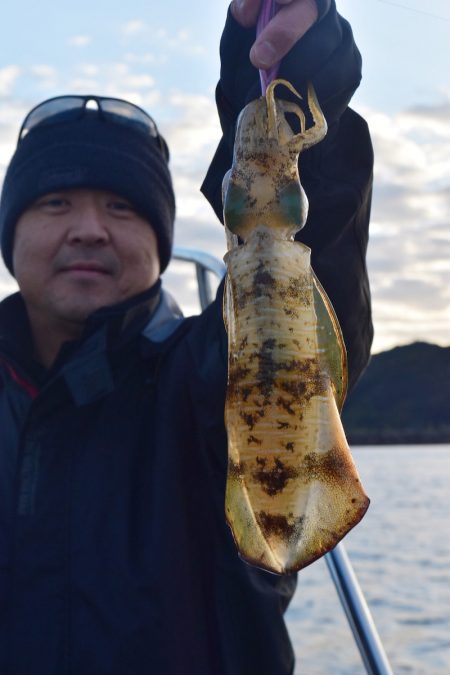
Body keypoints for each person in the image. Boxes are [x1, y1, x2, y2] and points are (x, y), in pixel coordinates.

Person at [0, 1, 373, 673]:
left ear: (161, 243)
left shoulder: (205, 376)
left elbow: (304, 249)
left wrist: (294, 74)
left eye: (120, 207)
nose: (88, 229)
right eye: (55, 203)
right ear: (12, 235)